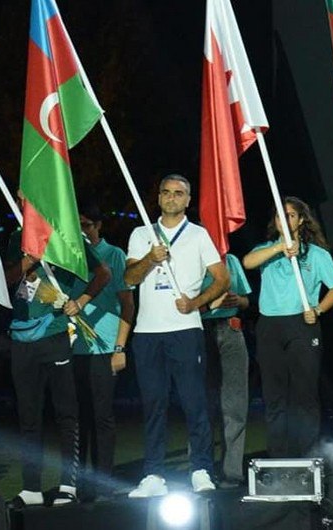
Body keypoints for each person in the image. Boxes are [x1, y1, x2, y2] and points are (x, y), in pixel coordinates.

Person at [124, 174, 230, 498]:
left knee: (194, 402)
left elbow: (222, 279)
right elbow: (129, 277)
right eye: (166, 192)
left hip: (185, 330)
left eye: (179, 193)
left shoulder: (198, 235)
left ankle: (201, 469)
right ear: (158, 197)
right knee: (153, 404)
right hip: (147, 332)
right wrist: (150, 258)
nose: (172, 198)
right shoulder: (142, 233)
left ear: (188, 200)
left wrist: (195, 303)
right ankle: (153, 474)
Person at [4, 203, 112, 508]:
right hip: (22, 336)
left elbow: (103, 272)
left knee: (66, 413)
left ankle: (68, 485)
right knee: (28, 416)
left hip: (54, 334)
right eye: (23, 195)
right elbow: (8, 278)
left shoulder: (66, 235)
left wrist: (80, 301)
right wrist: (29, 260)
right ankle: (31, 488)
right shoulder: (16, 237)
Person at [243, 197, 333, 458]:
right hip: (270, 326)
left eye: (289, 215)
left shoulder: (317, 254)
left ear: (301, 220)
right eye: (279, 215)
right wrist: (279, 249)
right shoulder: (266, 249)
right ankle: (278, 455)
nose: (284, 219)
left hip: (302, 325)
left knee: (304, 394)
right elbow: (248, 262)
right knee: (275, 395)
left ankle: (307, 454)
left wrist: (319, 309)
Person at [72, 202, 135, 500]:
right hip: (73, 347)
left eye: (87, 224)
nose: (83, 230)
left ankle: (104, 480)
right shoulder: (69, 257)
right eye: (78, 225)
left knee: (102, 416)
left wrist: (120, 347)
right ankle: (80, 481)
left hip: (104, 345)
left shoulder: (114, 255)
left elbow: (128, 303)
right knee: (78, 417)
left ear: (98, 226)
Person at [200, 253, 251, 488]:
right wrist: (209, 303)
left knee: (235, 404)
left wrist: (236, 301)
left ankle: (232, 471)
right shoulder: (189, 257)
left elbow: (246, 301)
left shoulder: (230, 259)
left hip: (231, 330)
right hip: (199, 330)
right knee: (201, 405)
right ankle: (201, 469)